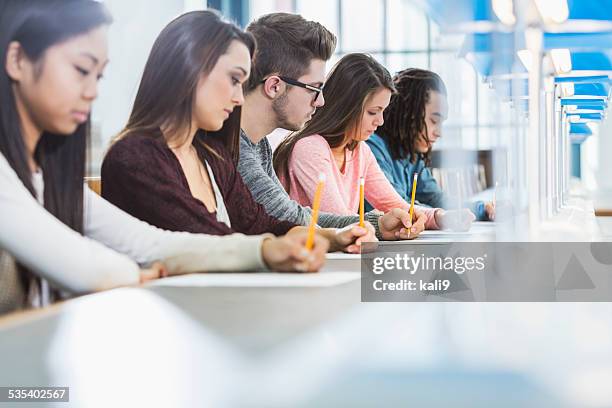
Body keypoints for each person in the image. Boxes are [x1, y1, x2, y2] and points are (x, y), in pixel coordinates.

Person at [0, 0, 326, 314]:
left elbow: (149, 244)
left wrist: (266, 248)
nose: (93, 92)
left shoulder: (48, 177)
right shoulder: (133, 156)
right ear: (16, 60)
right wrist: (133, 273)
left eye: (97, 76)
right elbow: (84, 266)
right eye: (81, 69)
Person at [101, 10, 373, 254]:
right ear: (190, 72)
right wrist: (274, 250)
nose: (239, 98)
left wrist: (335, 237)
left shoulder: (212, 154)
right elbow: (207, 239)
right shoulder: (134, 157)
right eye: (233, 80)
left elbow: (261, 223)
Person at [238, 13, 426, 240]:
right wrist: (365, 227)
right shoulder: (234, 147)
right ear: (275, 86)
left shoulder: (259, 146)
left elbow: (297, 215)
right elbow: (285, 216)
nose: (321, 102)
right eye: (314, 89)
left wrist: (376, 225)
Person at [273, 53, 474, 230]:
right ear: (346, 106)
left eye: (383, 112)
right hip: (307, 259)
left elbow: (394, 204)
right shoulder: (310, 148)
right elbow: (340, 220)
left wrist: (438, 217)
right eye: (373, 112)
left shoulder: (359, 151)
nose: (380, 121)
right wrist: (384, 224)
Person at [366, 68, 495, 221]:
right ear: (408, 114)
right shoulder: (372, 148)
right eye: (434, 121)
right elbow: (396, 207)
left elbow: (437, 199)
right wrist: (441, 216)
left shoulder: (411, 154)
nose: (439, 132)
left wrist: (482, 209)